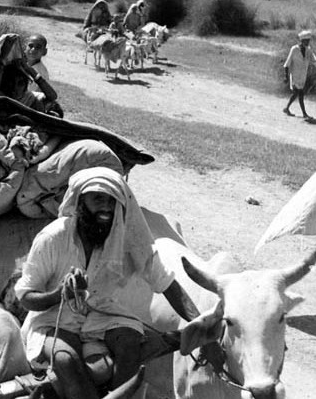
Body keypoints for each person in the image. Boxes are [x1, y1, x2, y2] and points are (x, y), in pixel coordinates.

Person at [15, 167, 201, 399]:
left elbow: (167, 284)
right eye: (97, 199)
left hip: (103, 314)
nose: (106, 208)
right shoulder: (52, 238)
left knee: (130, 344)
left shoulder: (127, 239)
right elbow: (26, 298)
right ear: (80, 202)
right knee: (66, 359)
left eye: (111, 201)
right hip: (55, 319)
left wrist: (201, 322)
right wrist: (60, 294)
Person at [283, 30, 316, 121]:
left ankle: (287, 108)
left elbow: (315, 60)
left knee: (296, 93)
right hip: (295, 75)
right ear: (301, 40)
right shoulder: (294, 49)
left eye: (308, 40)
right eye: (306, 40)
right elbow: (287, 64)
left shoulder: (308, 50)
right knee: (300, 93)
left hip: (303, 75)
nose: (308, 42)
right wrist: (286, 76)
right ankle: (304, 114)